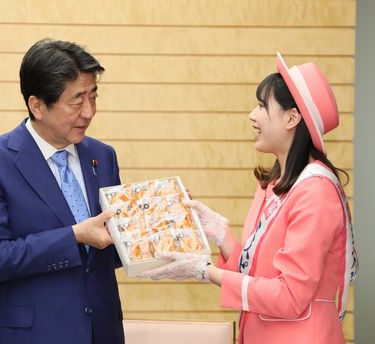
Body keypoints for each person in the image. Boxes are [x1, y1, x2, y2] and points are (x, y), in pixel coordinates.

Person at [140, 52, 358, 344]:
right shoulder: (272, 184)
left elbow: (289, 296)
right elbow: (260, 273)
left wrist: (206, 272)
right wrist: (222, 235)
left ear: (292, 118)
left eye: (261, 106)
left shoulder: (316, 191)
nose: (252, 116)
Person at [0, 38, 124, 344]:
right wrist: (73, 235)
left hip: (102, 332)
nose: (89, 112)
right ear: (37, 105)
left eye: (93, 97)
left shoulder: (102, 156)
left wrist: (156, 221)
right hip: (34, 335)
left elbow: (109, 249)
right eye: (77, 101)